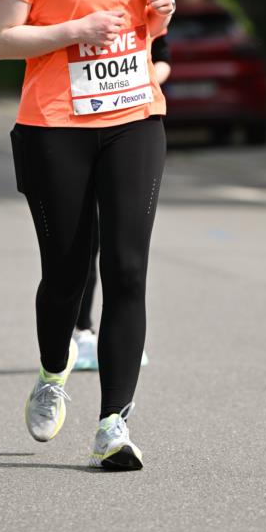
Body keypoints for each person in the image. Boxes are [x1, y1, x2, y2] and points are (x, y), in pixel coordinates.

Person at [0, 0, 181, 470]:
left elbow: (148, 29)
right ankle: (51, 373)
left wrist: (162, 11)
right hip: (54, 126)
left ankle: (113, 425)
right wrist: (74, 30)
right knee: (67, 273)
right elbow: (0, 40)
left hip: (133, 117)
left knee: (126, 269)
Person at [73, 32, 172, 371]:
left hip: (131, 122)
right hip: (77, 123)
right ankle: (81, 329)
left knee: (125, 249)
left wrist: (136, 81)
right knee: (86, 238)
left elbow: (162, 59)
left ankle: (121, 340)